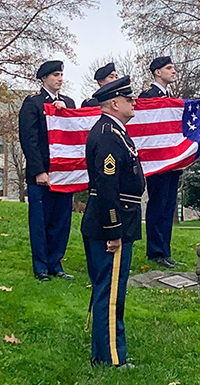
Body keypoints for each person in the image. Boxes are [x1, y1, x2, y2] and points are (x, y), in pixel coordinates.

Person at [81, 75, 145, 368]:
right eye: (129, 99)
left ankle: (103, 353)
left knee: (109, 290)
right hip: (112, 222)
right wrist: (114, 230)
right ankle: (111, 358)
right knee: (110, 294)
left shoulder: (116, 132)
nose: (133, 103)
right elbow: (106, 186)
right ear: (115, 103)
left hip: (121, 218)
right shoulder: (108, 134)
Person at [18, 60, 76, 281]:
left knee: (61, 221)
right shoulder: (33, 103)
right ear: (43, 79)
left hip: (64, 174)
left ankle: (56, 263)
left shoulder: (69, 103)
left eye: (61, 74)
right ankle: (41, 266)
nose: (60, 78)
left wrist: (65, 114)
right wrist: (39, 171)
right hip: (42, 173)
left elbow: (75, 137)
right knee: (41, 222)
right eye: (55, 75)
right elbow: (29, 140)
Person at [139, 56, 180, 268]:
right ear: (157, 72)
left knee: (169, 206)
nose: (173, 71)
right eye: (169, 68)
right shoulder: (147, 97)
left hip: (172, 160)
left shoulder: (172, 97)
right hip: (156, 161)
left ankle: (166, 249)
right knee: (157, 205)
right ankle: (155, 250)